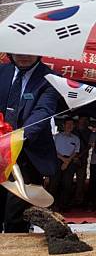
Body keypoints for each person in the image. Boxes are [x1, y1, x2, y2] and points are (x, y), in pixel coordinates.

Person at [0, 54, 58, 232]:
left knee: (16, 216)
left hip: (27, 156)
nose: (24, 56)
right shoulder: (3, 71)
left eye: (29, 52)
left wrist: (16, 139)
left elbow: (43, 112)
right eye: (19, 51)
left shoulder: (50, 79)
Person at [51, 117, 80, 212]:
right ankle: (52, 205)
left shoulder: (76, 139)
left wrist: (67, 161)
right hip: (58, 160)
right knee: (54, 183)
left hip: (70, 161)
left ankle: (64, 205)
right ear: (63, 125)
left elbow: (76, 151)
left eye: (72, 124)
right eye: (68, 124)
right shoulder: (57, 137)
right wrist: (63, 160)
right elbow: (53, 150)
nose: (70, 126)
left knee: (67, 184)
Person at [73, 115, 92, 207]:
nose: (83, 121)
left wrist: (80, 156)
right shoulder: (73, 130)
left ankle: (78, 201)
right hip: (71, 158)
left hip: (82, 158)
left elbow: (89, 146)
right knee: (67, 180)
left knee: (81, 180)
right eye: (82, 119)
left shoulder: (88, 132)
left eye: (85, 120)